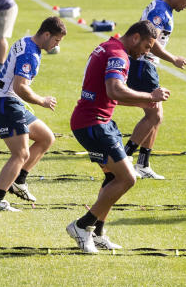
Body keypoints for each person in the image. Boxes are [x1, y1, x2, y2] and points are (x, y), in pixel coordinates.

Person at [66, 21, 170, 253]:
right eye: (146, 46)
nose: (146, 52)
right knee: (127, 178)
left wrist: (143, 101)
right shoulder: (118, 55)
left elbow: (108, 93)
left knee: (113, 177)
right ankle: (82, 226)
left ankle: (99, 233)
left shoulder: (108, 46)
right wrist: (150, 94)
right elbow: (114, 89)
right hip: (93, 123)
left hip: (97, 120)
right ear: (135, 37)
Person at [0, 17, 68, 211]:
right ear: (46, 34)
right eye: (56, 40)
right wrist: (42, 101)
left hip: (11, 102)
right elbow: (20, 87)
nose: (56, 45)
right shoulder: (30, 53)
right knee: (20, 154)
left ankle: (19, 181)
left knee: (46, 138)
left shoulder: (26, 41)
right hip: (6, 103)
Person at [124, 0, 186, 179]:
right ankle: (125, 156)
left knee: (156, 116)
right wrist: (174, 59)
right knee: (154, 115)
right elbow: (150, 42)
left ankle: (142, 164)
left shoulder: (163, 8)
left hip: (147, 64)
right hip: (143, 64)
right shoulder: (160, 12)